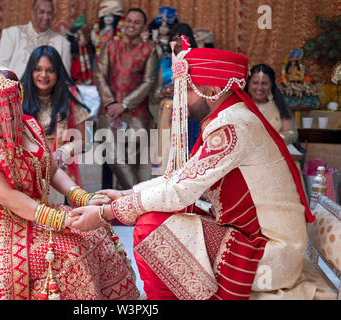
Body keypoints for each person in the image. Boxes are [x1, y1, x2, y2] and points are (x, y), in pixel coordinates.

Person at [71, 38, 316, 300]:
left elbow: (181, 190)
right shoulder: (230, 117)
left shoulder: (234, 126)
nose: (182, 100)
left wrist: (106, 214)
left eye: (187, 89)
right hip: (250, 231)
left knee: (151, 225)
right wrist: (127, 195)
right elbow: (182, 176)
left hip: (271, 252)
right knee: (158, 213)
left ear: (212, 88)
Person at [0, 65, 139, 300]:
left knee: (97, 233)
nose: (8, 111)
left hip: (32, 214)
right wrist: (59, 219)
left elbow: (51, 169)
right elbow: (8, 197)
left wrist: (82, 196)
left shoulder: (29, 125)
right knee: (71, 251)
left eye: (12, 101)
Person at [95, 7, 158, 190]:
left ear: (143, 27)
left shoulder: (149, 50)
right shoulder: (111, 46)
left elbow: (149, 82)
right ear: (124, 23)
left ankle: (123, 212)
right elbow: (99, 75)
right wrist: (111, 103)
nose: (131, 25)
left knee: (132, 163)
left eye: (136, 22)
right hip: (109, 112)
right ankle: (138, 199)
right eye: (129, 21)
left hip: (138, 114)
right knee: (113, 156)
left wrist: (124, 105)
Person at [20, 45, 90, 202]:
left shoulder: (69, 95)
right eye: (38, 69)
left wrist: (62, 152)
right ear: (31, 70)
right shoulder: (19, 96)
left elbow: (83, 140)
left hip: (59, 167)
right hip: (27, 168)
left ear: (58, 72)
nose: (43, 75)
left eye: (50, 70)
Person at [150, 23, 199, 176]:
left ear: (190, 40)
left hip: (188, 113)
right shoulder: (164, 62)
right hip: (166, 113)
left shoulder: (197, 61)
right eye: (175, 39)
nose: (178, 43)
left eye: (182, 39)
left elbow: (203, 91)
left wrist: (180, 91)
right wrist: (162, 91)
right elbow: (154, 92)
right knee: (164, 153)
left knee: (186, 153)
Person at [0, 0, 71, 78]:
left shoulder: (62, 43)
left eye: (49, 13)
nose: (46, 17)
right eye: (41, 12)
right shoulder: (12, 34)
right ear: (33, 13)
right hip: (14, 88)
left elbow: (65, 79)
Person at [245, 64, 298, 145]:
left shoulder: (280, 107)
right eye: (255, 83)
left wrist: (270, 141)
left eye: (264, 83)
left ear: (271, 85)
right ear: (249, 84)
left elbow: (291, 134)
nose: (259, 88)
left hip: (275, 154)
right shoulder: (240, 106)